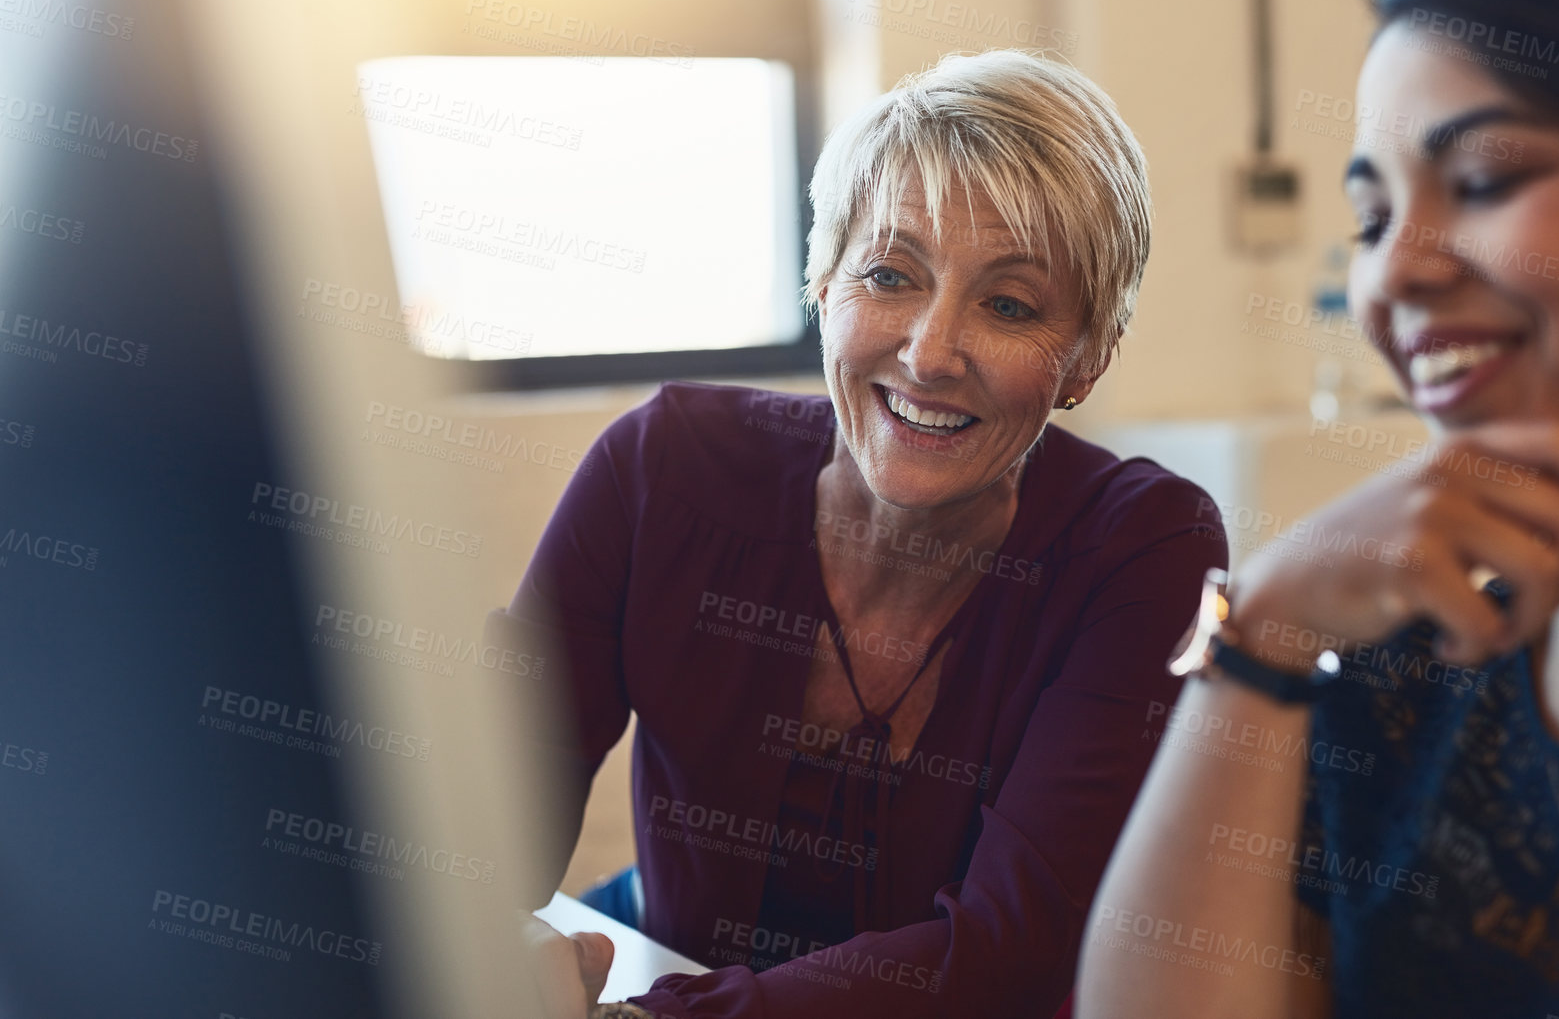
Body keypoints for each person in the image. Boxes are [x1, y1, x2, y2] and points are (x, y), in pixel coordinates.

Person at [1078, 0, 1559, 1019]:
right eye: (1373, 218)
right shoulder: (1393, 687)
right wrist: (1263, 630)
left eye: (1481, 179)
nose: (1390, 278)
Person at [502, 49, 1227, 1018]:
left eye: (1009, 304)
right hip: (663, 962)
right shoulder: (659, 468)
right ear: (823, 284)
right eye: (889, 273)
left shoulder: (1148, 544)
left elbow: (1010, 951)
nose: (929, 352)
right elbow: (481, 828)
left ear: (1087, 357)